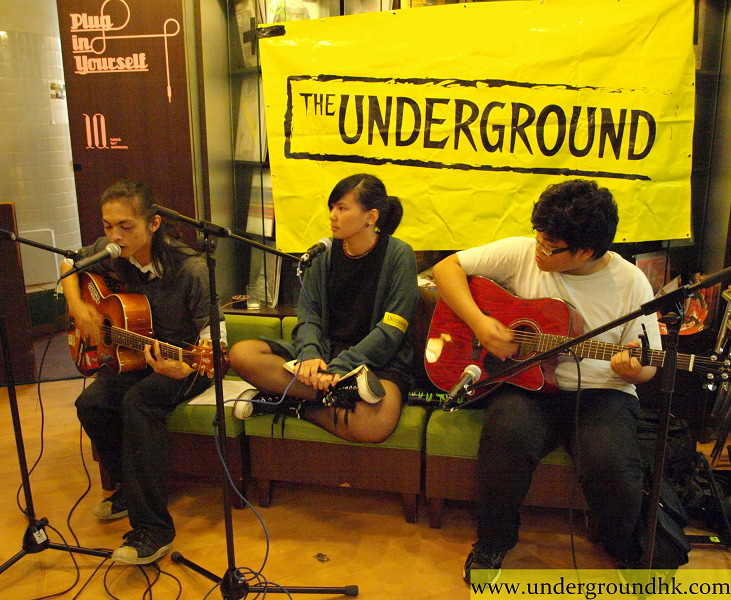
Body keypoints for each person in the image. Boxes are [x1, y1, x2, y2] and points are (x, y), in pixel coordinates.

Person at [431, 179, 662, 583]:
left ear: (585, 251)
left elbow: (649, 365)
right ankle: (493, 542)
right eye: (538, 237)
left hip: (602, 393)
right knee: (506, 437)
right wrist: (481, 324)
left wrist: (634, 369)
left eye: (550, 246)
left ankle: (624, 547)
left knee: (609, 463)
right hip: (528, 386)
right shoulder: (522, 251)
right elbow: (445, 268)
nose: (537, 249)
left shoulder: (631, 282)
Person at [60, 180, 224, 564]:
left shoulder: (191, 268)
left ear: (153, 223)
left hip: (185, 362)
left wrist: (185, 366)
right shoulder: (112, 252)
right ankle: (130, 490)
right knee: (91, 402)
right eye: (108, 226)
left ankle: (154, 530)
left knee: (139, 401)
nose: (114, 236)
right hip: (135, 357)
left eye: (125, 227)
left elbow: (214, 339)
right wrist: (80, 309)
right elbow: (68, 264)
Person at [228, 174, 419, 443]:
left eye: (342, 208)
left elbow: (392, 329)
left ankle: (290, 404)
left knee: (375, 424)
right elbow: (310, 314)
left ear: (371, 217)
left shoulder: (399, 255)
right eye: (332, 207)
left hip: (376, 362)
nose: (332, 216)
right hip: (324, 353)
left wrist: (341, 367)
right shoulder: (323, 254)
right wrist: (309, 355)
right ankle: (339, 394)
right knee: (242, 353)